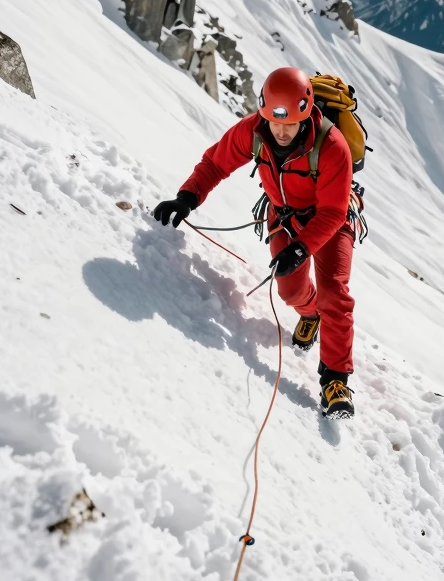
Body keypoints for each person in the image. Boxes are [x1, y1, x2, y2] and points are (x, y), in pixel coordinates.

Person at [153, 67, 356, 419]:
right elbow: (216, 163)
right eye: (274, 122)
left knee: (334, 292)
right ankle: (311, 313)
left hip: (332, 221)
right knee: (291, 292)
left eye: (289, 123)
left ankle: (335, 381)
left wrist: (301, 247)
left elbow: (334, 212)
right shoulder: (254, 131)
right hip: (284, 215)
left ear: (306, 114)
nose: (279, 131)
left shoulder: (332, 147)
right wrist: (187, 197)